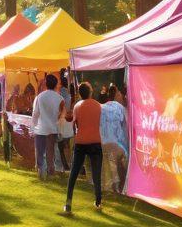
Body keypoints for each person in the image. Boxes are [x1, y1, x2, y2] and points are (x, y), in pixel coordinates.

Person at [62, 83, 103, 216]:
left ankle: (68, 203)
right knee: (96, 173)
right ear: (90, 92)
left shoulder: (77, 106)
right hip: (95, 141)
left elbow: (75, 124)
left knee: (74, 173)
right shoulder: (98, 105)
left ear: (80, 94)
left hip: (81, 142)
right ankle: (98, 201)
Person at [31, 73, 64, 179]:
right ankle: (51, 172)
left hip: (40, 128)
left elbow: (35, 113)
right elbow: (61, 115)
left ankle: (41, 171)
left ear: (46, 83)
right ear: (56, 84)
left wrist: (32, 127)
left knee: (40, 151)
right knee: (51, 151)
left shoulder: (39, 97)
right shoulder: (60, 98)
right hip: (53, 128)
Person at [100, 84, 128, 194]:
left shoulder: (102, 107)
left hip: (104, 143)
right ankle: (120, 187)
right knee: (121, 164)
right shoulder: (120, 108)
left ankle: (113, 186)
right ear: (117, 94)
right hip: (117, 144)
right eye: (120, 94)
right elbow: (124, 128)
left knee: (110, 166)